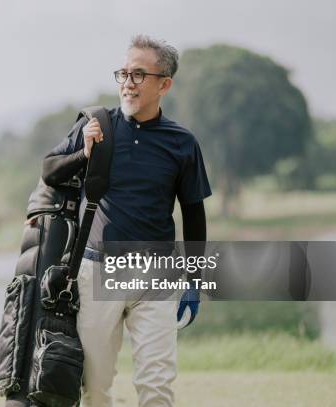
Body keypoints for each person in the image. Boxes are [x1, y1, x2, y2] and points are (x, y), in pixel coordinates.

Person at [41, 35, 211, 407]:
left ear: (164, 84)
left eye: (138, 75)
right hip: (97, 270)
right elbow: (50, 171)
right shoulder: (95, 125)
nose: (127, 83)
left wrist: (195, 281)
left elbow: (194, 215)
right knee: (96, 388)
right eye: (123, 74)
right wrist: (83, 153)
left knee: (156, 386)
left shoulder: (182, 143)